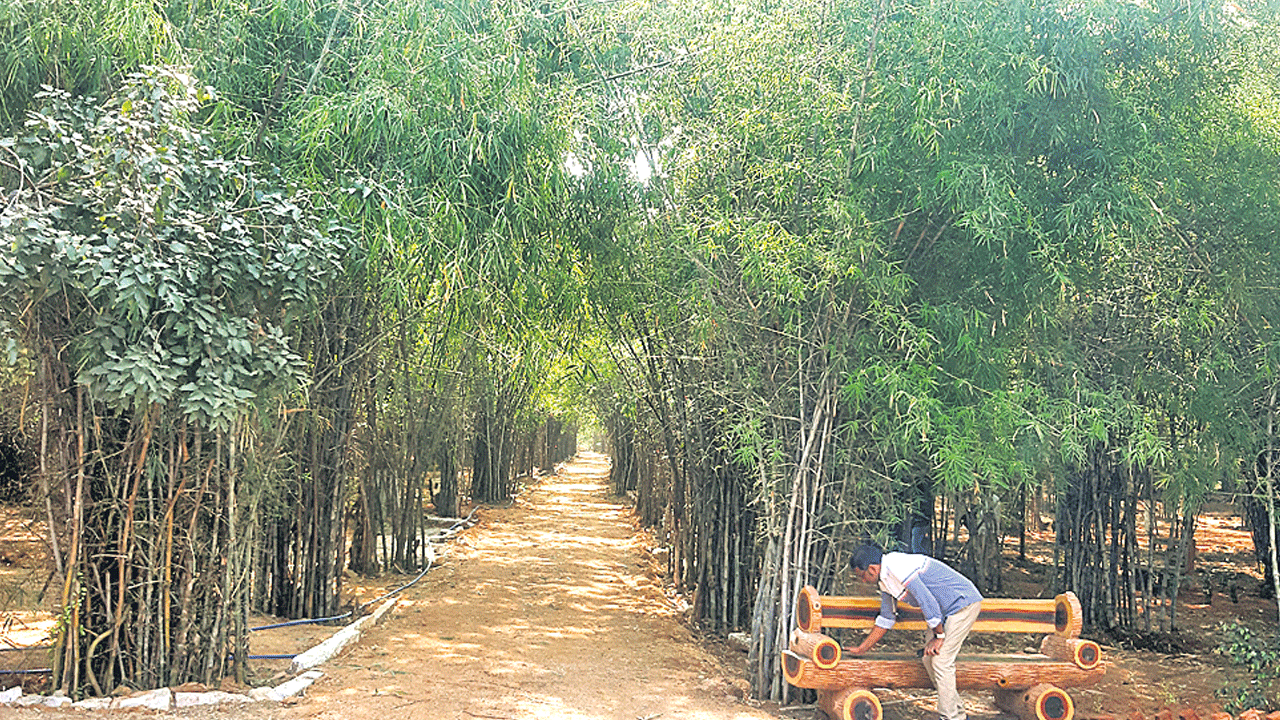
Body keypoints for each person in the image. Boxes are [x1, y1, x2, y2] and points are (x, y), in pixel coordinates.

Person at [848, 544, 983, 720]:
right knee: (928, 659)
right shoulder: (884, 581)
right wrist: (862, 649)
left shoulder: (896, 565)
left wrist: (939, 636)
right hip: (944, 613)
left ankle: (950, 717)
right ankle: (957, 713)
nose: (863, 581)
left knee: (941, 661)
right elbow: (887, 618)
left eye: (862, 576)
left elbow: (927, 601)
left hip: (962, 604)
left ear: (872, 569)